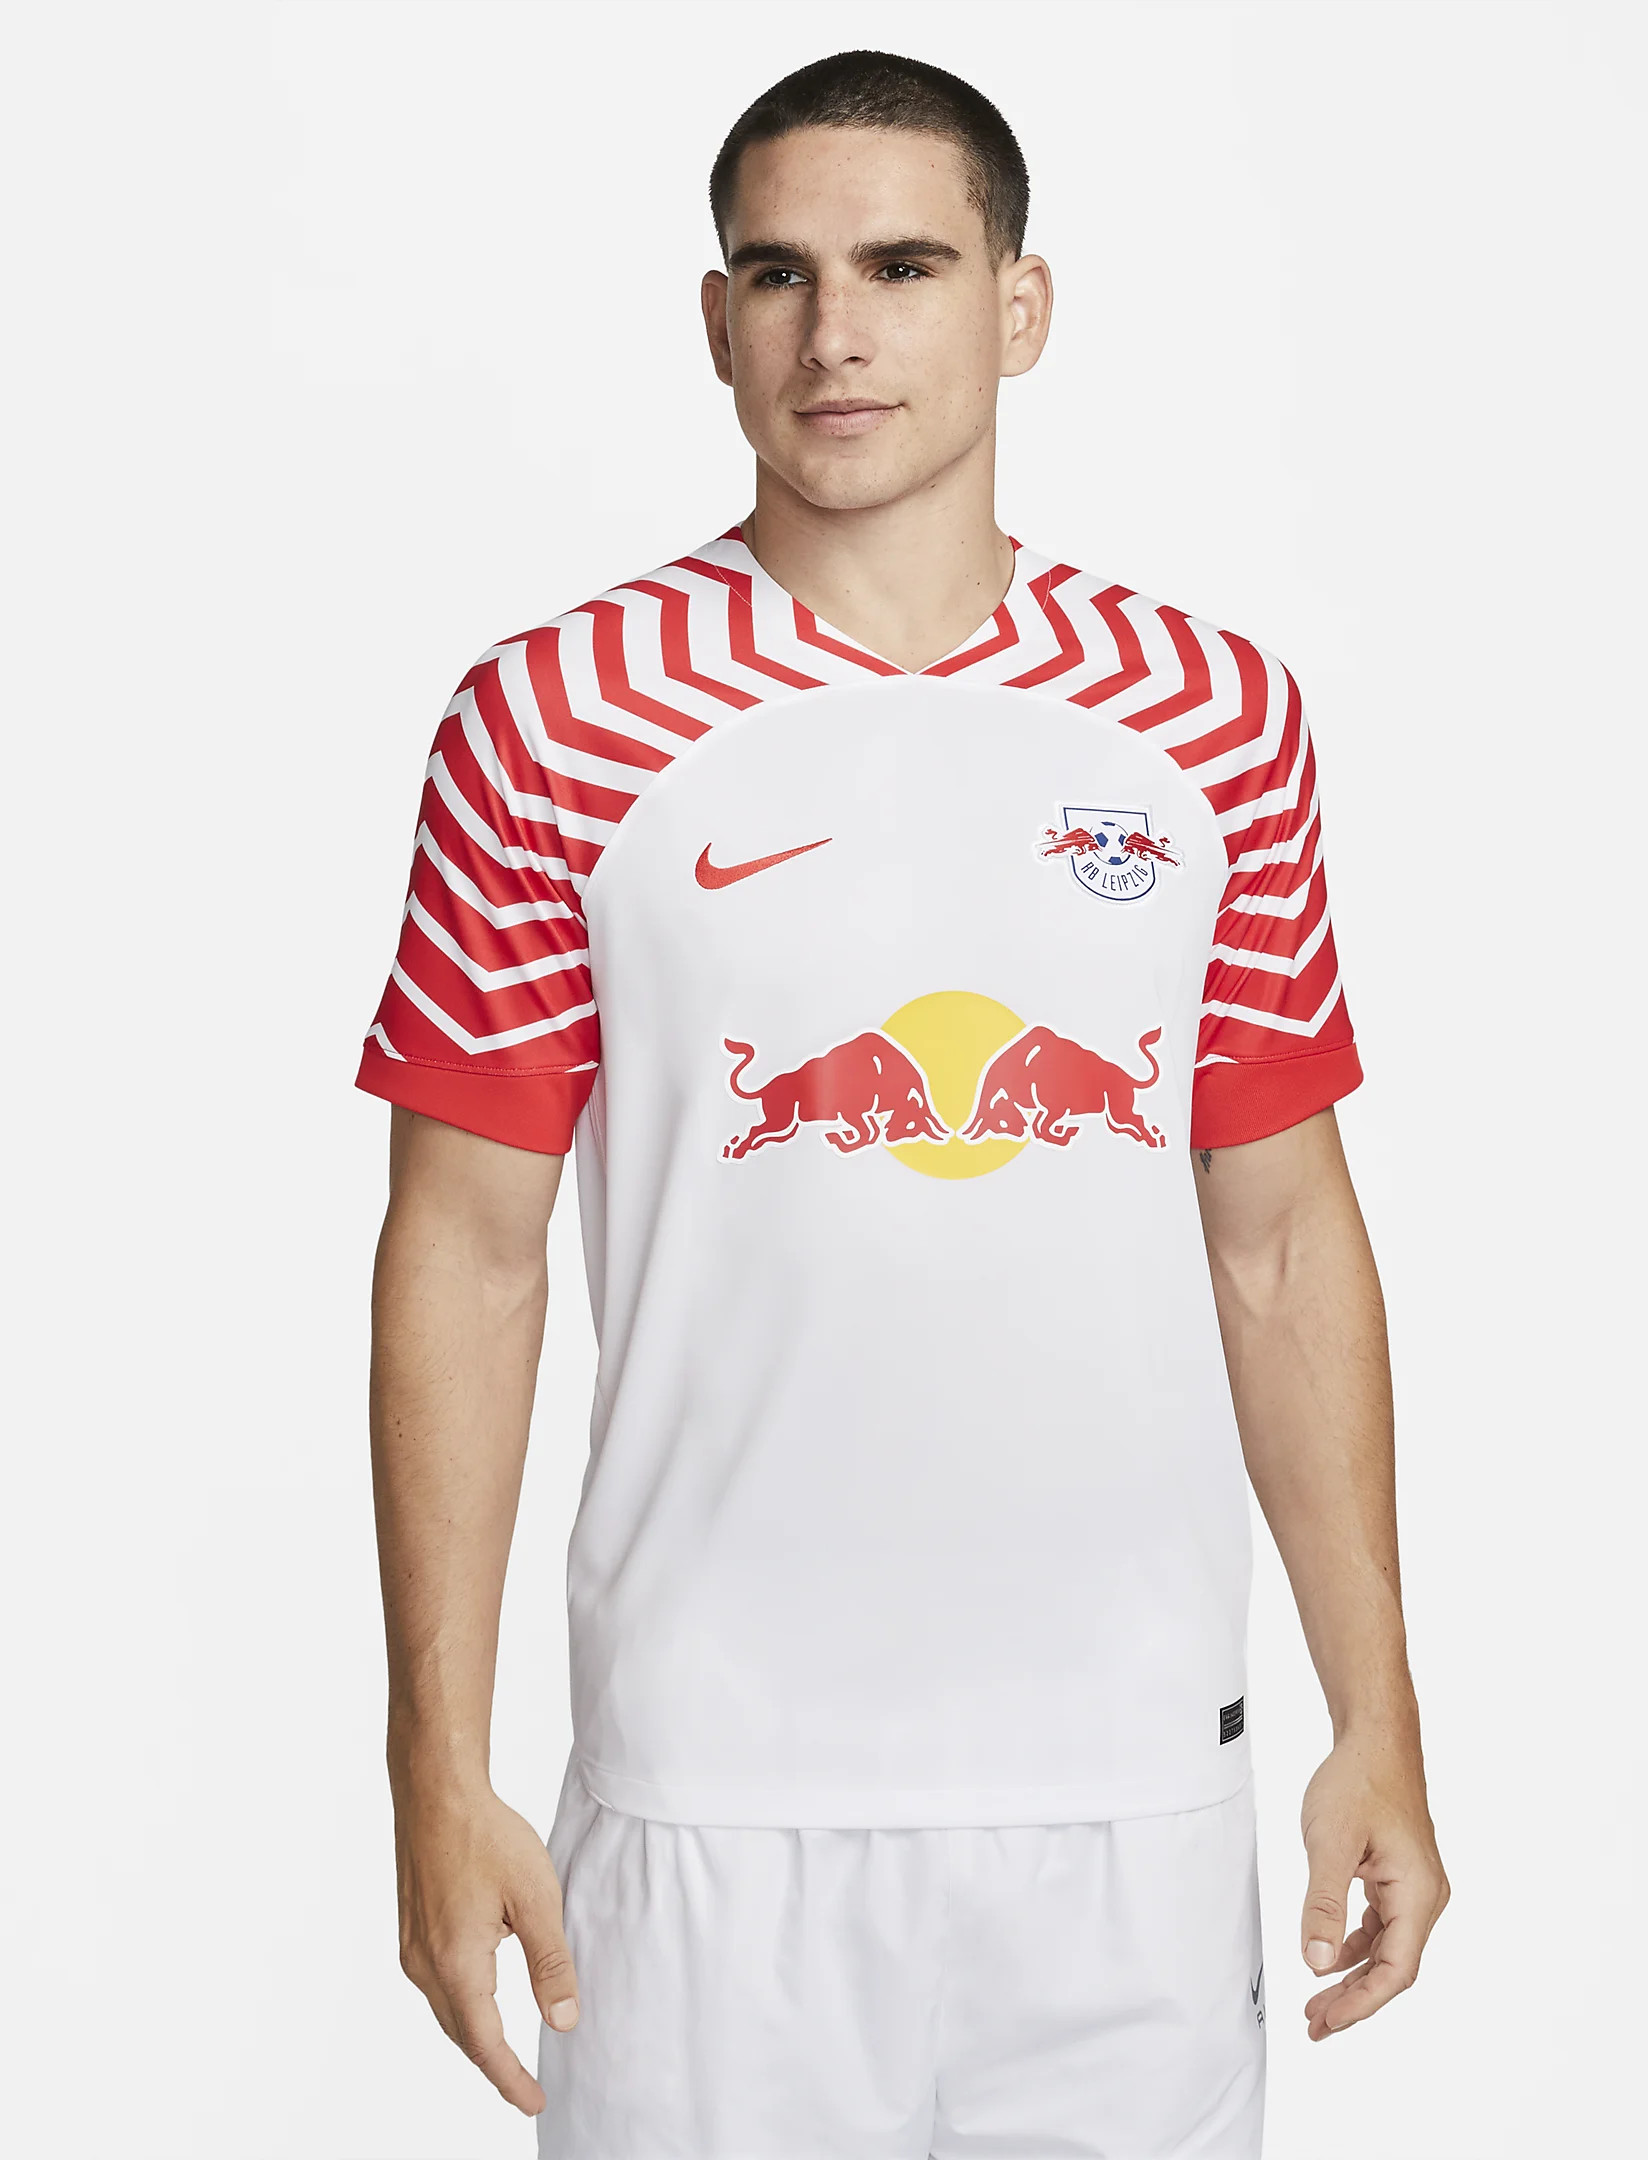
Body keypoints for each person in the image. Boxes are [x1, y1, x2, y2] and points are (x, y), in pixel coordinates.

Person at [357, 47, 1448, 2160]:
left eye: (904, 266)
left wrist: (1376, 1709)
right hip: (707, 1804)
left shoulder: (1210, 721)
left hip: (1131, 1793)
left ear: (1020, 306)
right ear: (717, 322)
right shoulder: (554, 720)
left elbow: (1281, 1239)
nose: (834, 332)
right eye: (778, 273)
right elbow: (466, 1258)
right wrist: (435, 1761)